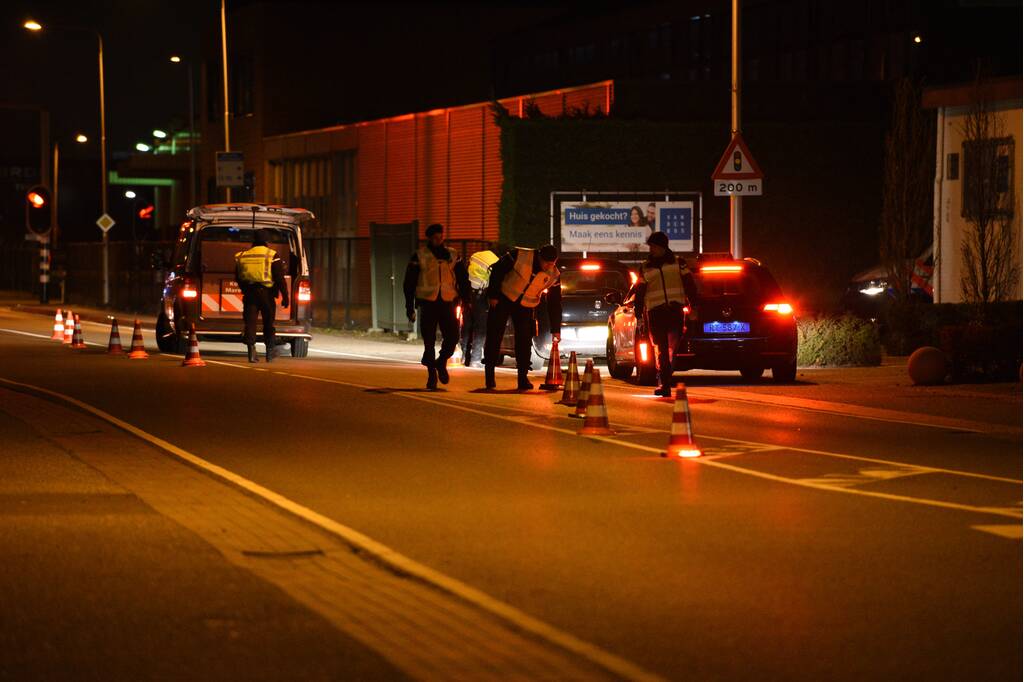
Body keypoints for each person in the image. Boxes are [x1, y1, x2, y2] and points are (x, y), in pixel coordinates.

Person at [482, 245, 562, 391]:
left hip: (525, 305)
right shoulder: (520, 256)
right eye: (547, 263)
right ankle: (489, 375)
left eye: (553, 263)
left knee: (524, 340)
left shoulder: (554, 274)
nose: (549, 267)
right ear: (539, 257)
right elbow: (497, 270)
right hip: (503, 298)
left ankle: (523, 378)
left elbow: (555, 303)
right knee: (495, 335)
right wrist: (493, 295)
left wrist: (556, 329)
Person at [403, 223, 470, 390]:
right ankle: (431, 375)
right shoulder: (419, 256)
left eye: (440, 237)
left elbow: (463, 278)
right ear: (429, 238)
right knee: (429, 342)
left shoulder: (453, 255)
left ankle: (440, 362)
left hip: (448, 302)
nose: (438, 240)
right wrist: (409, 307)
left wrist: (467, 299)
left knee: (453, 337)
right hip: (428, 303)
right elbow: (409, 283)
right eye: (434, 238)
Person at [635, 231, 693, 396]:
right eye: (650, 246)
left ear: (662, 247)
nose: (651, 249)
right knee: (661, 349)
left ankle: (665, 378)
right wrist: (638, 313)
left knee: (671, 349)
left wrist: (694, 305)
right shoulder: (645, 267)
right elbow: (640, 292)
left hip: (674, 311)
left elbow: (689, 284)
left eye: (654, 246)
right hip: (655, 313)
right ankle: (665, 383)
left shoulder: (678, 263)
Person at [235, 228, 290, 363]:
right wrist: (285, 296)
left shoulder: (243, 255)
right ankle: (270, 352)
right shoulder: (271, 255)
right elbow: (279, 278)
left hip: (250, 293)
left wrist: (245, 289)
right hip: (267, 294)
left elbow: (238, 277)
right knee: (268, 323)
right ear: (266, 241)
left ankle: (251, 352)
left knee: (250, 322)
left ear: (253, 240)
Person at [461, 247, 499, 366]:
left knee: (467, 325)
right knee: (481, 327)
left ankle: (464, 356)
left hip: (467, 293)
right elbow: (495, 281)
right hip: (480, 294)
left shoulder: (477, 255)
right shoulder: (496, 261)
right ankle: (475, 359)